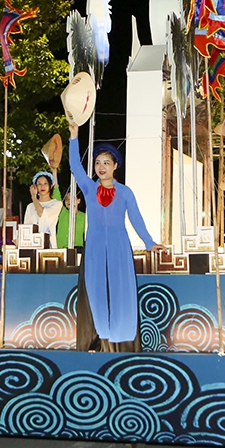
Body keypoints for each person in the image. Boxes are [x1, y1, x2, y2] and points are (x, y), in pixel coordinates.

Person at [68, 122, 162, 352]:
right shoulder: (89, 189)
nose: (101, 167)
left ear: (115, 166)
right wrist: (73, 137)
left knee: (121, 290)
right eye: (98, 163)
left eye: (106, 163)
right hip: (95, 246)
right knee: (96, 291)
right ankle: (101, 335)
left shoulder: (125, 192)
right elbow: (74, 165)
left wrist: (150, 242)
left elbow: (136, 219)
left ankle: (122, 337)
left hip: (119, 245)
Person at [24, 171, 63, 245]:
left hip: (49, 244)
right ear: (35, 186)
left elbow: (41, 213)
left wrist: (33, 197)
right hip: (32, 244)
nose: (42, 186)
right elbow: (26, 227)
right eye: (39, 184)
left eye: (46, 183)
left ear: (51, 186)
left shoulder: (56, 204)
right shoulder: (30, 206)